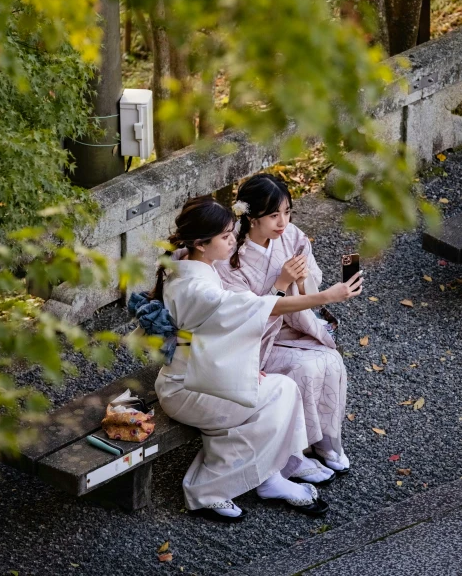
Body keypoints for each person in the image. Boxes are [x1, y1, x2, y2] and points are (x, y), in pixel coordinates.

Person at [131, 195, 362, 522]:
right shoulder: (197, 287)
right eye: (225, 237)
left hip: (201, 374)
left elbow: (224, 329)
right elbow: (257, 309)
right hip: (188, 388)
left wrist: (243, 368)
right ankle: (208, 489)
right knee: (276, 399)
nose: (232, 241)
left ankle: (270, 476)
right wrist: (326, 297)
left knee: (281, 390)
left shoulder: (187, 264)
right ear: (200, 244)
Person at [217, 174, 354, 482]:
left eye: (288, 212)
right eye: (274, 215)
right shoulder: (230, 256)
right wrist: (280, 284)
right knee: (305, 368)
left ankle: (324, 441)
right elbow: (245, 314)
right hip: (255, 341)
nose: (283, 222)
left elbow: (310, 276)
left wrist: (303, 279)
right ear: (251, 217)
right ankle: (291, 456)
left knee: (330, 361)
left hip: (293, 326)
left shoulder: (290, 235)